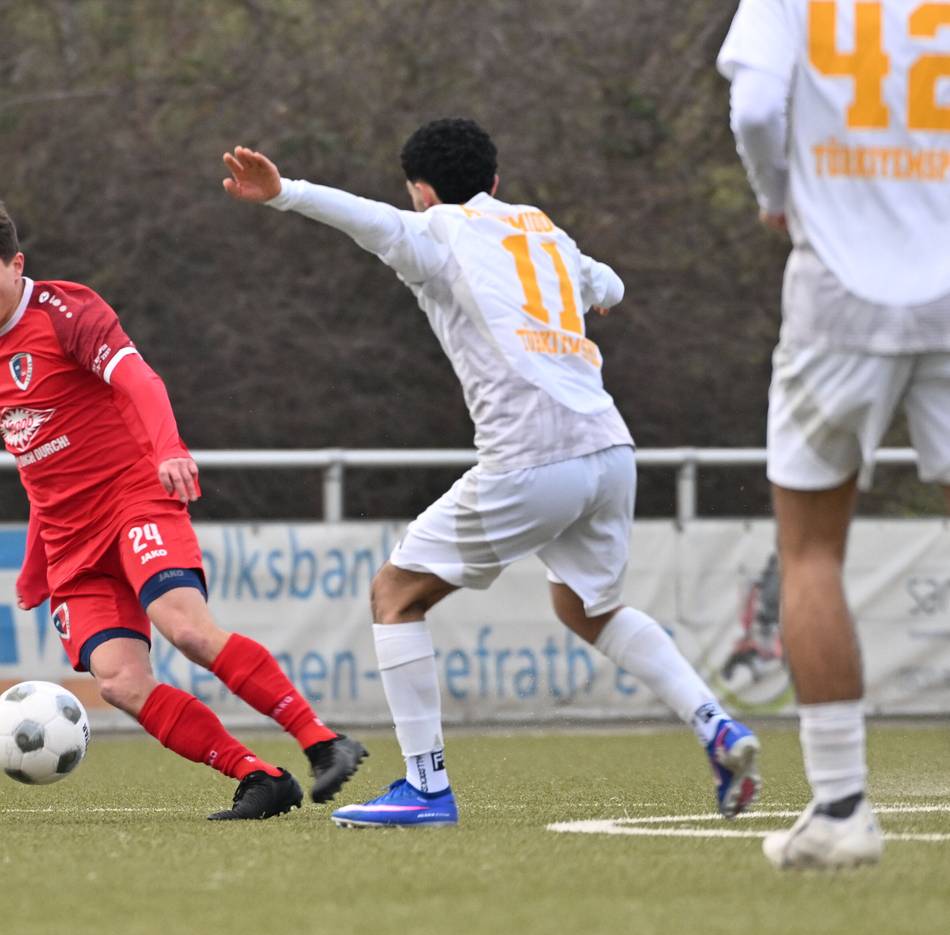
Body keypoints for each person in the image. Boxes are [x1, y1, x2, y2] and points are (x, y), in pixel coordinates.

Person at [222, 118, 762, 828]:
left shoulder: (433, 233)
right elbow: (611, 284)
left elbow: (364, 218)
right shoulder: (543, 231)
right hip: (609, 449)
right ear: (496, 181)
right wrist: (594, 294)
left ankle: (425, 788)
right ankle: (715, 725)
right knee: (589, 609)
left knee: (395, 595)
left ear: (421, 191)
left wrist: (283, 191)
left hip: (533, 454)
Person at [0, 202, 366, 819]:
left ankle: (323, 741)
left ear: (16, 264)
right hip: (70, 545)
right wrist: (37, 563)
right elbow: (39, 462)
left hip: (132, 500)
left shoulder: (65, 312)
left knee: (188, 630)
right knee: (119, 682)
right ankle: (260, 778)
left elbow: (141, 381)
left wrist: (170, 449)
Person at [719, 0, 950, 868]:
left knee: (811, 550)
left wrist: (777, 195)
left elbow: (753, 107)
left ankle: (843, 808)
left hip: (838, 299)